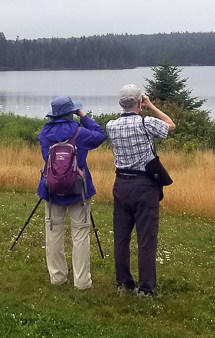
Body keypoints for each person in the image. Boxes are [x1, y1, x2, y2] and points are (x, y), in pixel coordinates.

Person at [106, 84, 175, 296]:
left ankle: (124, 284)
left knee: (121, 237)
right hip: (144, 186)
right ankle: (145, 288)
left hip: (121, 184)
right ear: (139, 103)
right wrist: (151, 105)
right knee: (146, 238)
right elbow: (170, 125)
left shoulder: (111, 126)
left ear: (120, 104)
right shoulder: (146, 123)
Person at [36, 96, 107, 290]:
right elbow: (100, 134)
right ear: (72, 113)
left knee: (53, 232)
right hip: (79, 190)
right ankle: (82, 281)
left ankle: (57, 277)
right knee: (80, 233)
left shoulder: (44, 133)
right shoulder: (80, 133)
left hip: (51, 190)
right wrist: (83, 116)